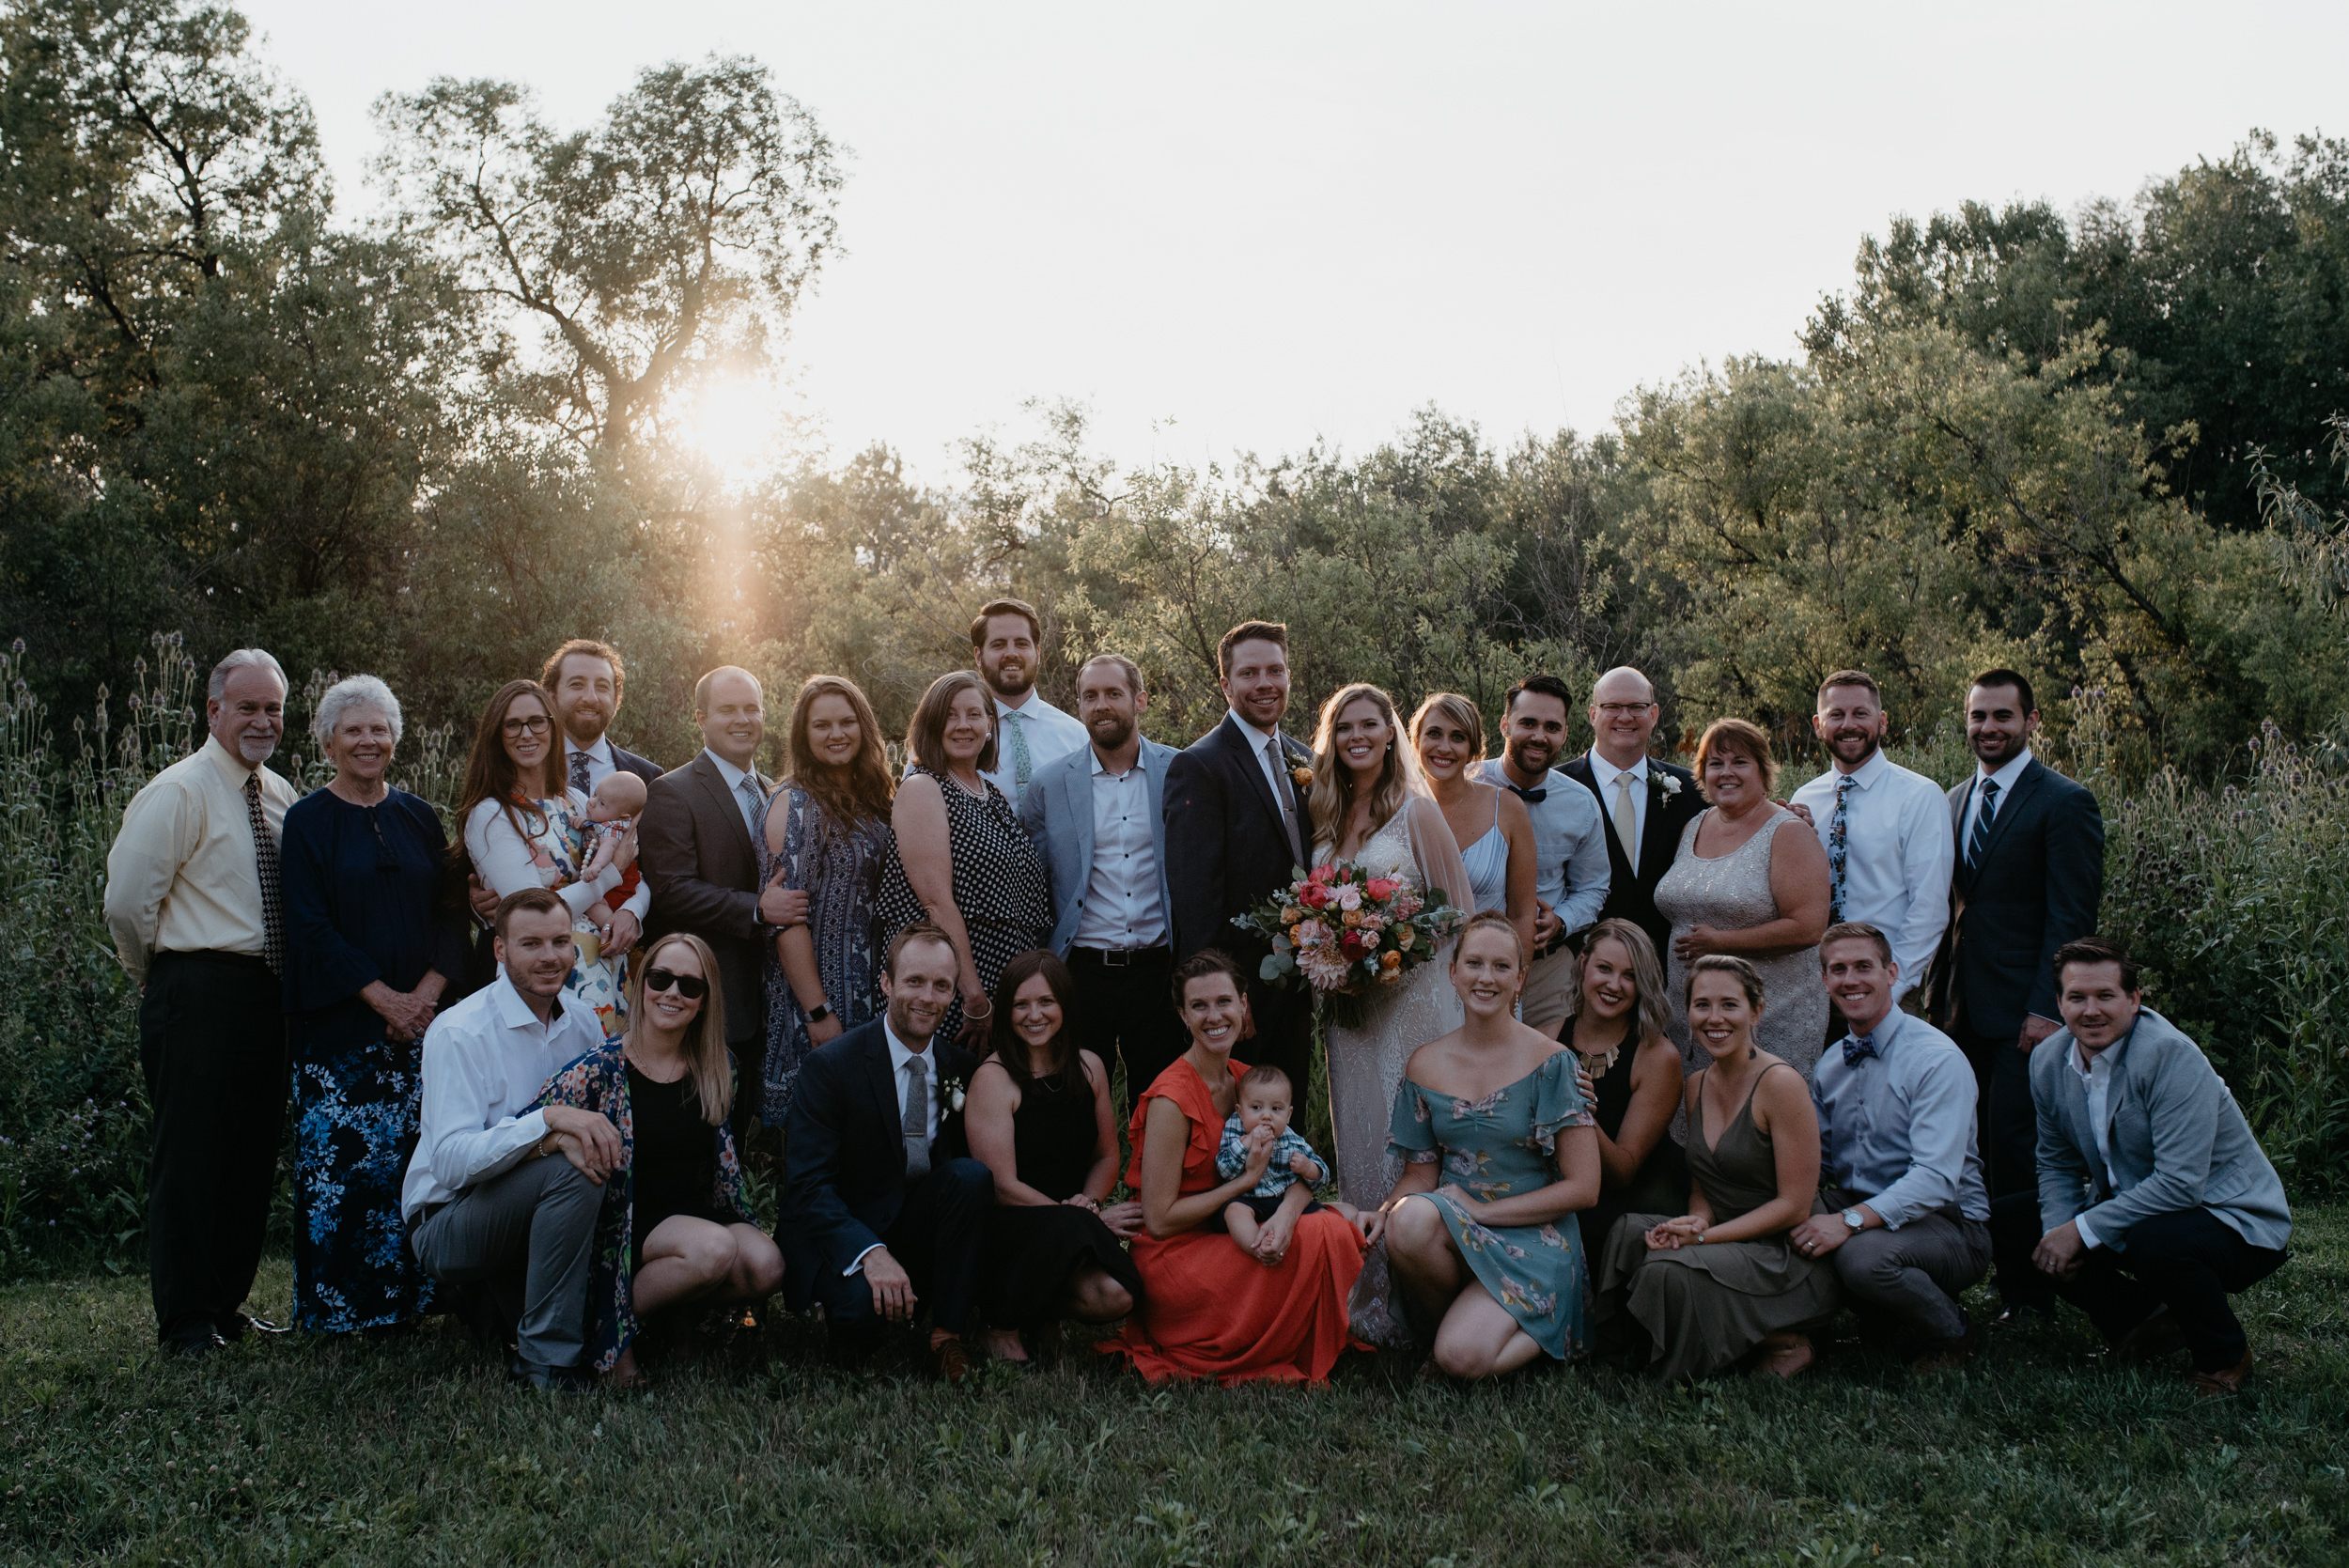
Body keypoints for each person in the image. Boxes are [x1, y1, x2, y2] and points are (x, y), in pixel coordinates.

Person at [102, 648, 300, 1356]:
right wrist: (149, 974)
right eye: (246, 706)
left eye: (273, 707)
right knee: (190, 1160)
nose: (261, 719)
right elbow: (127, 900)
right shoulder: (178, 790)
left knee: (248, 1158)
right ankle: (184, 1323)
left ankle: (223, 1304)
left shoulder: (279, 795)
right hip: (195, 986)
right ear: (212, 711)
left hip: (265, 994)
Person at [1999, 939, 2291, 1395]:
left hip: (2232, 1217)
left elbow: (2180, 1185)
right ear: (2059, 1002)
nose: (2090, 1010)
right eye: (2076, 998)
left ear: (2134, 1000)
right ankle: (2144, 1320)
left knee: (2156, 1240)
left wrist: (2080, 1230)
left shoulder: (2170, 1056)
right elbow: (2055, 1161)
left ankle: (2224, 1357)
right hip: (2134, 1202)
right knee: (2013, 1222)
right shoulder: (2047, 1060)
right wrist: (2057, 1228)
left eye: (2106, 996)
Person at [278, 675, 463, 1337]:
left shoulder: (418, 815)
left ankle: (417, 1299)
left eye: (379, 728)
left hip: (422, 1029)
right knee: (348, 1171)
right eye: (353, 729)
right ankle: (345, 1311)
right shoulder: (306, 822)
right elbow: (308, 925)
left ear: (395, 738)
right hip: (341, 1029)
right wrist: (384, 997)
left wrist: (424, 999)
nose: (368, 740)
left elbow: (451, 913)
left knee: (417, 1163)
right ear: (328, 740)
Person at [1104, 951, 1369, 1385]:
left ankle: (1289, 1333)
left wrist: (1284, 1216)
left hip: (1235, 1231)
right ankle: (1264, 1338)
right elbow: (1160, 1220)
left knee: (1333, 1225)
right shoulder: (1171, 1099)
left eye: (1224, 1002)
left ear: (1244, 1005)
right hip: (1180, 1255)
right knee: (1324, 1230)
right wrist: (1245, 1182)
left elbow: (1297, 1166)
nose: (1215, 1017)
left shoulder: (1250, 1082)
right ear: (1182, 1015)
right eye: (1199, 1006)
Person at [535, 933, 783, 1385]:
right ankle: (608, 1332)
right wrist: (559, 1140)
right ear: (639, 984)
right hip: (626, 1222)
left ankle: (672, 1315)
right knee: (714, 1250)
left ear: (705, 1001)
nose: (672, 993)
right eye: (661, 978)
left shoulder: (718, 1066)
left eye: (690, 985)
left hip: (692, 1212)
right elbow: (531, 1123)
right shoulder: (600, 1069)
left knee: (766, 1265)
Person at [1934, 669, 2104, 1326]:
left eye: (2003, 716)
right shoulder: (1951, 800)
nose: (1989, 728)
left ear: (2032, 721)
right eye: (1979, 716)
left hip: (2024, 1012)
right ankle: (1975, 1270)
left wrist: (2047, 1006)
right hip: (1957, 1008)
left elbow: (2071, 919)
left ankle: (2031, 1294)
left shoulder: (2064, 801)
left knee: (2017, 1149)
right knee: (1968, 1142)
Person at [1308, 682, 1474, 1346]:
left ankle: (1423, 1294)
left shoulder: (1416, 813)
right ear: (1331, 736)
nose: (1357, 736)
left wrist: (1390, 954)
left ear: (1388, 733)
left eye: (1369, 724)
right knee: (1360, 1131)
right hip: (1349, 1011)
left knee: (1411, 1138)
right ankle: (1367, 1300)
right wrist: (1330, 958)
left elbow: (1456, 914)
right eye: (1344, 725)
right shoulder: (1324, 814)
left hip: (1414, 1002)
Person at [403, 889, 615, 1392]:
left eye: (561, 941)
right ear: (500, 950)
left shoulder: (583, 1023)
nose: (550, 957)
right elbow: (451, 1164)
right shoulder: (460, 1031)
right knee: (573, 1164)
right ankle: (545, 1364)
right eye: (531, 944)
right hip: (448, 1220)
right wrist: (547, 1123)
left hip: (534, 1209)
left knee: (595, 1154)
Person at [1376, 912, 1601, 1379]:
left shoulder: (1554, 1063)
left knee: (1463, 1358)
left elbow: (1584, 1188)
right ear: (1453, 971)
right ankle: (1454, 1330)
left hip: (1533, 1235)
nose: (1486, 978)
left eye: (1501, 967)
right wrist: (1378, 1216)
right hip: (1457, 1231)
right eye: (1474, 963)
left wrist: (1481, 1212)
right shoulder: (1425, 1065)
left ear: (1520, 979)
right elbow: (1419, 1177)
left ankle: (1520, 1336)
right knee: (1408, 1221)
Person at [1595, 955, 1835, 1382]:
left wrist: (1703, 1237)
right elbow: (1705, 1186)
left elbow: (1795, 1207)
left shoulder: (1781, 1084)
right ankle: (1625, 1351)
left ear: (1756, 1011)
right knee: (1630, 1233)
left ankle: (1782, 1337)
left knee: (1668, 1268)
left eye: (1729, 1004)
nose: (1714, 1018)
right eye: (1702, 1005)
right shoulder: (1697, 1084)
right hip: (1722, 1232)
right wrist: (1693, 1221)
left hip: (1783, 1254)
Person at [781, 924, 995, 1383]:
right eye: (914, 981)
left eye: (941, 986)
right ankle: (845, 1303)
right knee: (859, 1321)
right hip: (845, 1231)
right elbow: (807, 1185)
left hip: (912, 1221)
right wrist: (869, 1252)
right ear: (886, 983)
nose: (928, 997)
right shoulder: (831, 1066)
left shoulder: (961, 1067)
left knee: (971, 1177)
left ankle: (946, 1339)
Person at [1792, 923, 1991, 1370]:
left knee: (1863, 1259)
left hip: (1950, 1223)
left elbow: (1936, 1180)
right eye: (1838, 969)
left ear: (1892, 972)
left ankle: (1952, 1331)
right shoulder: (1831, 1065)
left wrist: (1847, 1221)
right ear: (1824, 981)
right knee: (1787, 1215)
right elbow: (1815, 1162)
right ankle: (1809, 1329)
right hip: (1864, 1201)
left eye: (1864, 966)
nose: (1851, 980)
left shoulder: (1934, 1059)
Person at [1019, 653, 1186, 1107]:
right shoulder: (1049, 785)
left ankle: (1152, 1181)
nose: (1102, 705)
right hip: (1081, 972)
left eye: (1113, 693)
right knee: (1073, 1103)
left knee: (1161, 1106)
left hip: (1159, 973)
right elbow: (1034, 882)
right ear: (1079, 707)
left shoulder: (1181, 772)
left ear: (1140, 700)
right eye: (1090, 696)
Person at [962, 950, 1143, 1362]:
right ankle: (998, 1324)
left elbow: (1105, 1157)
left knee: (1116, 1295)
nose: (1034, 1015)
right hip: (1013, 1231)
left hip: (1072, 1222)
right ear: (1006, 1010)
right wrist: (1081, 1221)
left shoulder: (1090, 1067)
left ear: (1065, 1005)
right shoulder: (994, 1079)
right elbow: (1002, 1187)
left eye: (1046, 1002)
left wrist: (1090, 1205)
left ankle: (1040, 1311)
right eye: (1021, 1005)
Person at [1163, 620, 1317, 1092]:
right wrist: (1225, 998)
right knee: (1233, 1134)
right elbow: (1196, 901)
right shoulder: (1199, 765)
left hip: (1299, 988)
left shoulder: (1303, 758)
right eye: (1250, 673)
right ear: (1226, 684)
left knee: (1285, 1125)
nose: (1265, 684)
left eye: (1276, 670)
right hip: (1241, 998)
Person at [877, 670, 1054, 1048]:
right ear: (932, 724)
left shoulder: (990, 795)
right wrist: (972, 995)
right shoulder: (924, 788)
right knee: (943, 1098)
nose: (962, 726)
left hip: (1002, 984)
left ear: (990, 725)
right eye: (950, 715)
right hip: (948, 986)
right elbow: (936, 902)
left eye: (974, 715)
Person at [641, 666, 781, 1138]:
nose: (743, 719)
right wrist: (758, 909)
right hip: (716, 996)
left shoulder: (774, 793)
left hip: (774, 996)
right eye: (728, 710)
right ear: (701, 717)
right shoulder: (673, 792)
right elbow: (673, 891)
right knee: (712, 1133)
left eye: (751, 708)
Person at [456, 679, 636, 1043]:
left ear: (553, 727)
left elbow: (633, 856)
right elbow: (534, 914)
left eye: (537, 722)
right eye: (513, 724)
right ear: (497, 735)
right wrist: (610, 875)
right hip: (548, 985)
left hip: (608, 971)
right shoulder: (492, 815)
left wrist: (633, 913)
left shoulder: (574, 799)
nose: (527, 734)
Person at [1653, 719, 1832, 1081]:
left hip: (1769, 1015)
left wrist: (1721, 943)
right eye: (1715, 764)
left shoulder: (1788, 831)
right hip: (1693, 1015)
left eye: (1740, 762)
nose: (1726, 773)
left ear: (1763, 771)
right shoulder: (1695, 825)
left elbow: (1809, 927)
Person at [756, 675, 895, 1123]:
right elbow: (785, 920)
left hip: (873, 989)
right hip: (819, 994)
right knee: (820, 1125)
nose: (836, 734)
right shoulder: (795, 803)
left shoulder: (876, 799)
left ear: (864, 727)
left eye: (847, 722)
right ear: (803, 734)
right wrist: (818, 1012)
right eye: (822, 725)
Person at [1786, 671, 1952, 1015]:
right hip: (1816, 989)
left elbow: (1930, 907)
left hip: (1886, 988)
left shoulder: (1919, 796)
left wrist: (1895, 985)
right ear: (1819, 725)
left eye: (1860, 713)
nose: (1849, 725)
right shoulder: (1806, 798)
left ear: (1883, 721)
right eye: (1837, 715)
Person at [1470, 675, 1610, 1032]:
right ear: (1505, 724)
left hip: (1547, 973)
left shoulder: (1580, 804)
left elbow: (1593, 886)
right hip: (1467, 963)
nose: (1539, 736)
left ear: (1564, 734)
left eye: (1552, 727)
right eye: (1528, 723)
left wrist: (1562, 921)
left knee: (1539, 1076)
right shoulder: (1467, 785)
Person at [1561, 666, 1704, 968]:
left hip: (1669, 965)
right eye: (1612, 707)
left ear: (1653, 715)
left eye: (1636, 707)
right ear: (1592, 714)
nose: (1624, 717)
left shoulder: (1692, 789)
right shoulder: (1558, 788)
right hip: (1579, 966)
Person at [1563, 918, 1688, 1260]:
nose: (1614, 985)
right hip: (1561, 1190)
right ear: (1583, 962)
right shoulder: (1547, 1037)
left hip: (1629, 1202)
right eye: (1605, 968)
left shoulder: (1657, 1056)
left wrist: (1581, 1110)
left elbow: (1622, 1172)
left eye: (1630, 976)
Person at [540, 638, 661, 958]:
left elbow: (658, 868)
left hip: (612, 957)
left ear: (616, 698)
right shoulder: (524, 770)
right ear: (550, 695)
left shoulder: (648, 778)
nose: (590, 697)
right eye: (577, 685)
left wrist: (632, 911)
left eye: (602, 687)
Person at [1410, 691, 1537, 957]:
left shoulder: (1507, 808)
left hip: (1486, 973)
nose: (1444, 747)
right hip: (1411, 977)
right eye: (1434, 733)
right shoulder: (1395, 807)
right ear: (1416, 741)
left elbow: (1523, 914)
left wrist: (1514, 986)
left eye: (1458, 737)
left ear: (1473, 749)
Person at [971, 597, 1090, 812]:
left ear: (1037, 653)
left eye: (1021, 643)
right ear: (978, 656)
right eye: (998, 645)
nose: (1011, 653)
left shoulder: (1078, 737)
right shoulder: (951, 736)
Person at [1215, 1064, 1335, 1254]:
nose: (1266, 1116)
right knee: (1234, 1212)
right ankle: (1258, 1246)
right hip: (1247, 1199)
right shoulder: (1235, 1131)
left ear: (1288, 1115)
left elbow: (1323, 1176)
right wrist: (1246, 1144)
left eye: (1276, 1109)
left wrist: (1308, 1167)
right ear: (1240, 1111)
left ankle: (1315, 1251)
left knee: (1322, 1215)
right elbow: (1224, 1168)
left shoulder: (1290, 1138)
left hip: (1282, 1199)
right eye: (1256, 1108)